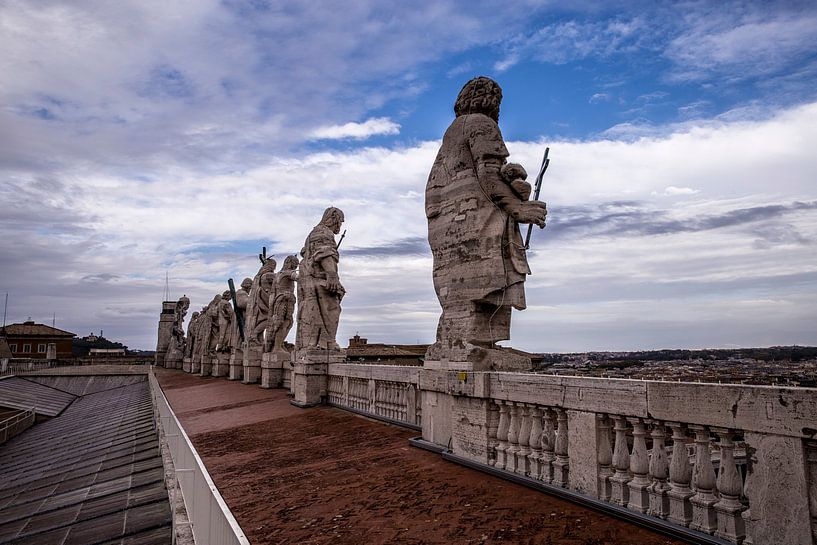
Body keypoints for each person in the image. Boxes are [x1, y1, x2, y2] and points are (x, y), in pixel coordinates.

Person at [425, 76, 546, 362]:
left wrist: (510, 177)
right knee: (489, 280)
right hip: (475, 223)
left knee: (463, 293)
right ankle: (474, 342)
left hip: (448, 228)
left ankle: (464, 340)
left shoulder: (451, 133)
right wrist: (519, 208)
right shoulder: (482, 124)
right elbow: (487, 174)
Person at [296, 207, 345, 350]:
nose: (340, 226)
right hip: (320, 279)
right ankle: (328, 342)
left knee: (315, 312)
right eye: (340, 222)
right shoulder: (324, 232)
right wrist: (332, 275)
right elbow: (324, 253)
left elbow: (305, 252)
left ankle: (320, 342)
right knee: (332, 309)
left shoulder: (313, 233)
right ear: (334, 218)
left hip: (309, 281)